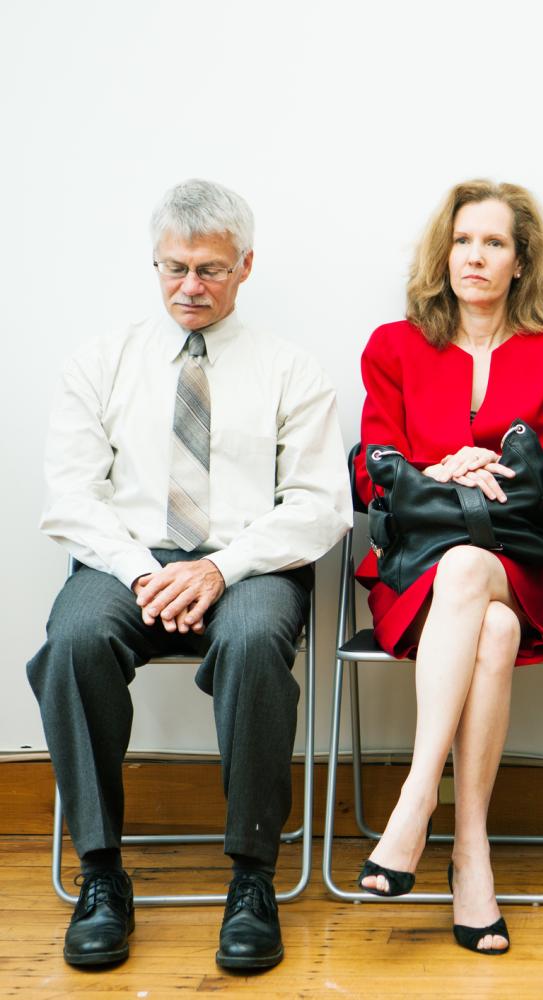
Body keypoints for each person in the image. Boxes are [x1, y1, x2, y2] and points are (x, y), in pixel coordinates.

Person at [26, 179, 350, 970]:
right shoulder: (102, 362)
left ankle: (252, 879)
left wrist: (218, 566)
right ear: (155, 263)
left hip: (250, 563)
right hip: (127, 560)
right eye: (173, 269)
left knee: (251, 645)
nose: (189, 287)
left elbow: (319, 506)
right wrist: (146, 573)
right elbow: (71, 498)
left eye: (208, 270)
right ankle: (101, 873)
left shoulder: (290, 370)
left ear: (245, 266)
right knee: (72, 640)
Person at [351, 179, 543, 955]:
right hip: (419, 568)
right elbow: (368, 473)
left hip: (519, 563)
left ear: (521, 262)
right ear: (444, 251)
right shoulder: (394, 346)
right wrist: (442, 472)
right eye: (464, 241)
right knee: (484, 620)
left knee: (479, 578)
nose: (476, 257)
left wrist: (503, 475)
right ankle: (470, 853)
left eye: (494, 243)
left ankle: (415, 803)